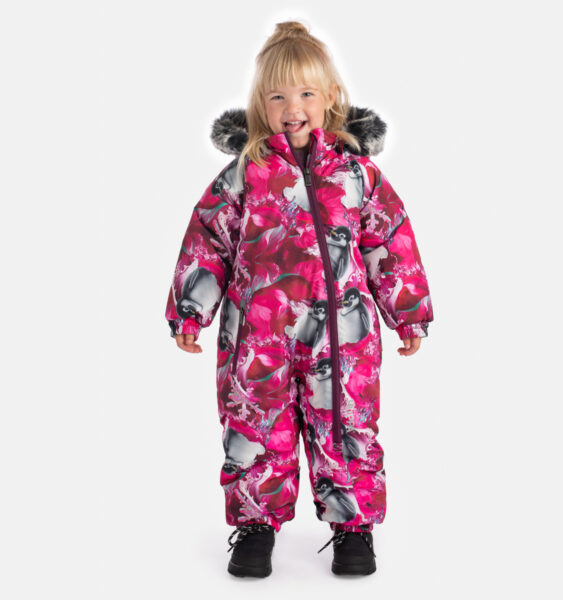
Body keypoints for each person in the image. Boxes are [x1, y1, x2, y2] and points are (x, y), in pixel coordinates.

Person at [165, 20, 434, 578]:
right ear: (260, 104)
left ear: (330, 96)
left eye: (306, 93)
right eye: (278, 96)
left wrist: (407, 312)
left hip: (342, 337)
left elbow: (388, 239)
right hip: (257, 335)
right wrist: (191, 310)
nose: (293, 108)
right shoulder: (245, 174)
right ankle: (256, 525)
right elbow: (209, 240)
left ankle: (353, 527)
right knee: (255, 423)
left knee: (347, 422)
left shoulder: (358, 174)